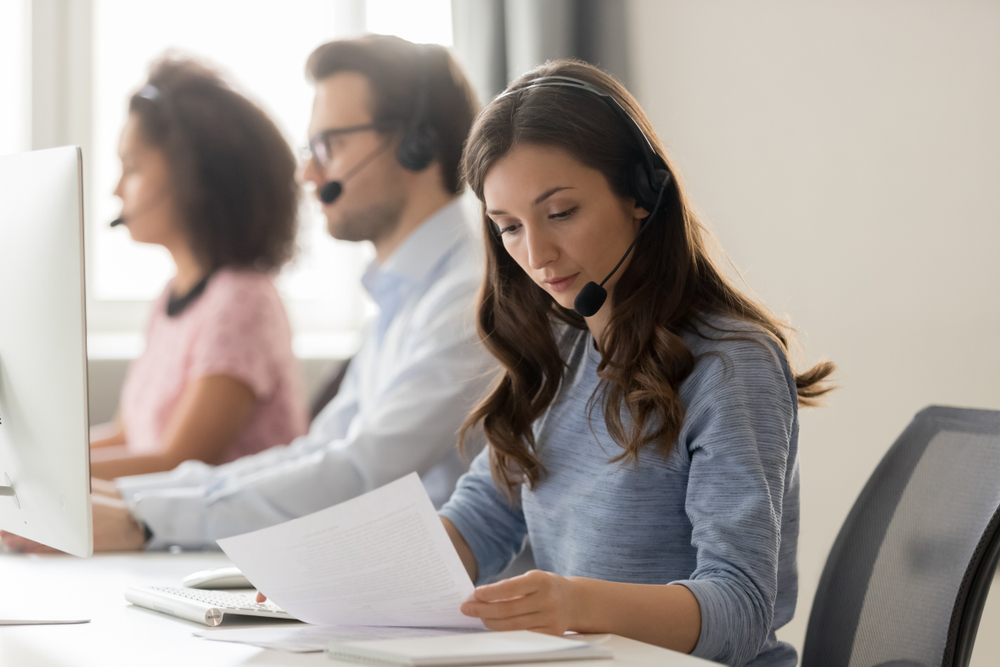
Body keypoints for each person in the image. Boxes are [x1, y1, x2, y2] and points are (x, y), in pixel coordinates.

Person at [1, 35, 492, 553]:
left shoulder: (469, 299)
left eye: (331, 145)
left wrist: (140, 516)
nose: (308, 173)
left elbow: (362, 471)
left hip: (440, 586)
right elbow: (320, 451)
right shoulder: (402, 298)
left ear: (417, 142)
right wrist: (125, 500)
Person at [437, 61, 835, 667]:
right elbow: (483, 518)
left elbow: (741, 607)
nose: (537, 255)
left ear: (640, 195)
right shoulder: (562, 351)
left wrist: (574, 605)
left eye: (561, 212)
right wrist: (351, 577)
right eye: (509, 227)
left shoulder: (731, 366)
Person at [89, 58, 308, 480]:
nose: (116, 190)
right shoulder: (174, 294)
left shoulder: (242, 300)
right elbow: (128, 435)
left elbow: (177, 462)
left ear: (194, 177)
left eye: (131, 168)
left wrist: (45, 479)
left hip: (221, 540)